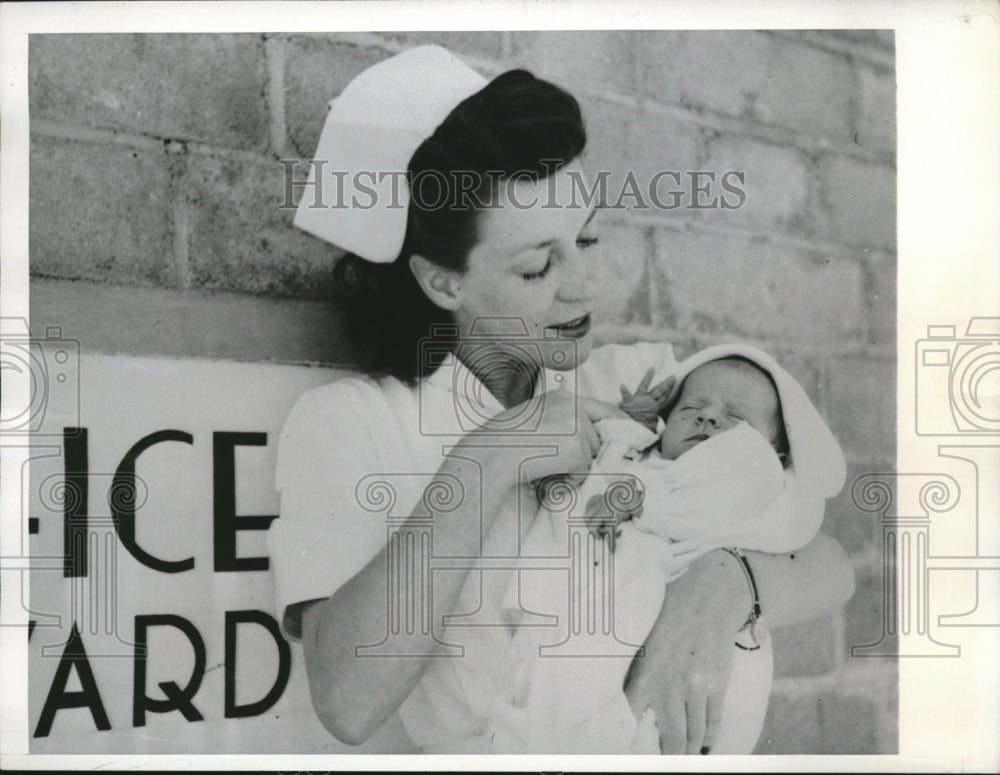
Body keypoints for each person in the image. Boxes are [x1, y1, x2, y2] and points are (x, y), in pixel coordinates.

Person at [266, 44, 856, 754]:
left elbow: (827, 559)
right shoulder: (351, 425)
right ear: (442, 282)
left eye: (586, 239)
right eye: (539, 265)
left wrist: (725, 586)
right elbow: (347, 697)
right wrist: (487, 459)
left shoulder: (636, 382)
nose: (585, 287)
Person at [497, 345, 845, 753]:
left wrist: (639, 498)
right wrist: (628, 423)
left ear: (776, 452)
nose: (708, 416)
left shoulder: (753, 473)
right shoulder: (646, 453)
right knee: (544, 690)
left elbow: (706, 488)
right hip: (584, 608)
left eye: (735, 417)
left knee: (615, 711)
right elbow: (605, 459)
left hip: (656, 613)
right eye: (691, 407)